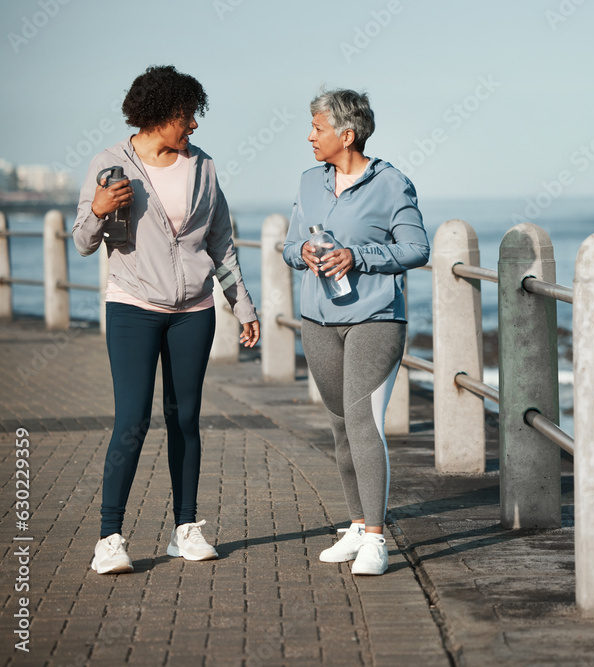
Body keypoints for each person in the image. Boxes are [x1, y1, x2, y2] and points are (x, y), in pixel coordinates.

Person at [73, 65, 260, 574]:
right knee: (132, 421)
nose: (194, 126)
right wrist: (97, 207)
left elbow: (220, 242)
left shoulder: (203, 167)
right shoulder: (111, 163)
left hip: (193, 312)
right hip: (133, 306)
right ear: (162, 114)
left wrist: (242, 305)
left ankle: (186, 528)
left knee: (184, 419)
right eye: (188, 116)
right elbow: (84, 242)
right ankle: (110, 537)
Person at [283, 89, 429, 576]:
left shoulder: (391, 184)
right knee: (340, 426)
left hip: (375, 320)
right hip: (318, 322)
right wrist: (302, 251)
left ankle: (376, 539)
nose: (310, 136)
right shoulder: (309, 181)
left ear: (346, 134)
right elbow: (288, 245)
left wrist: (358, 256)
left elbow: (416, 249)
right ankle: (357, 522)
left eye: (317, 128)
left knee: (364, 423)